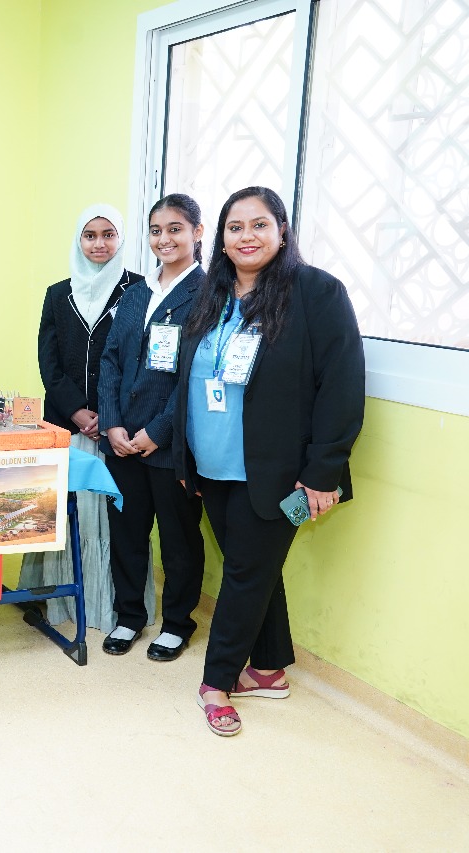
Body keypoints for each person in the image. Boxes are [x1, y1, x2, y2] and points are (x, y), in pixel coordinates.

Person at [174, 186, 364, 736]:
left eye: (260, 225)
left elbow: (342, 387)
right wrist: (186, 460)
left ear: (282, 231)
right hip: (213, 466)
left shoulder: (316, 292)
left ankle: (216, 682)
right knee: (254, 569)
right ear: (221, 239)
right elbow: (189, 380)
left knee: (243, 574)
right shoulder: (211, 294)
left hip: (282, 473)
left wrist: (322, 473)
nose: (247, 236)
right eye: (235, 227)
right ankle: (270, 668)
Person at [22, 204, 150, 634]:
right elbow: (49, 363)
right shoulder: (58, 294)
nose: (99, 244)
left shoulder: (140, 290)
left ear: (121, 239)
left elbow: (141, 362)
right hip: (68, 426)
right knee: (67, 514)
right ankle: (58, 600)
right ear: (78, 240)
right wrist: (77, 411)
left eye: (108, 234)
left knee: (115, 521)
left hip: (120, 431)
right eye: (90, 235)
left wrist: (109, 416)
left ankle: (113, 606)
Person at [97, 194, 206, 660]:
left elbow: (198, 375)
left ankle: (177, 623)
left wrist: (158, 432)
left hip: (171, 445)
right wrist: (112, 425)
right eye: (156, 231)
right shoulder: (137, 292)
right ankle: (129, 616)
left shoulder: (209, 294)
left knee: (179, 540)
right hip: (123, 443)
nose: (164, 239)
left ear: (197, 233)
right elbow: (110, 361)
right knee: (127, 535)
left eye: (175, 229)